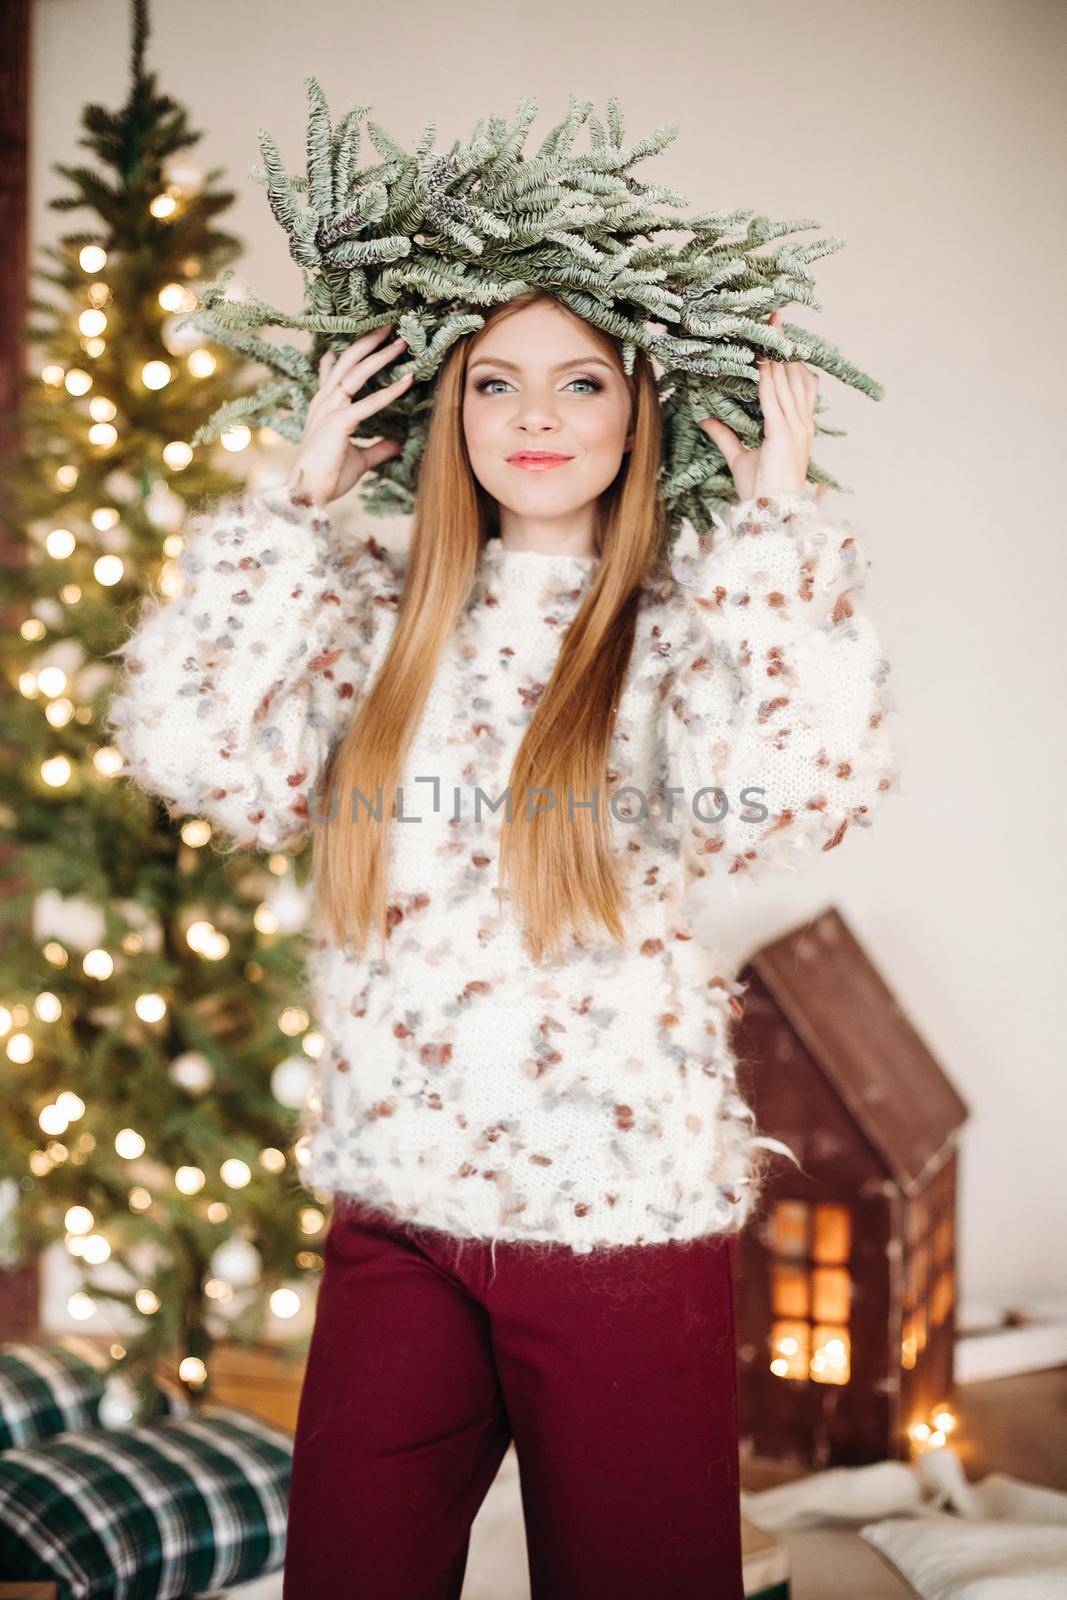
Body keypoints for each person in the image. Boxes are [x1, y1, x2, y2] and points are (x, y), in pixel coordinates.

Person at [105, 289, 899, 1599]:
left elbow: (795, 798)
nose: (535, 414)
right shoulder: (368, 620)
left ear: (639, 413)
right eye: (495, 382)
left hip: (615, 1227)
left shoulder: (680, 626)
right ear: (443, 410)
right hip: (399, 1208)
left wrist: (774, 542)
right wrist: (295, 509)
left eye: (581, 383)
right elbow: (196, 756)